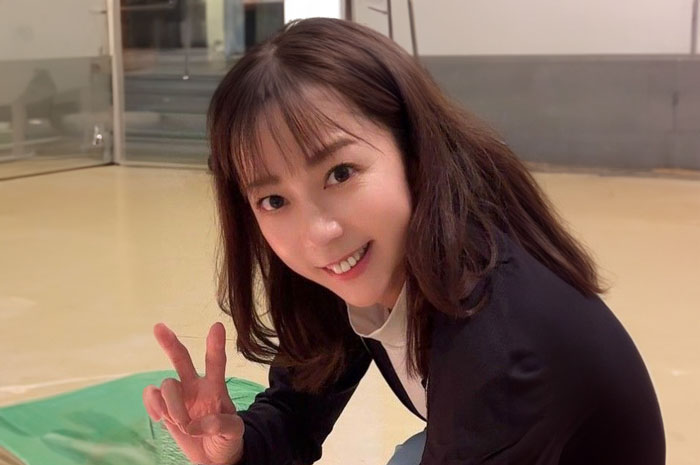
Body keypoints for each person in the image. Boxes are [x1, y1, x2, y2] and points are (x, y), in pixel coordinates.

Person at [142, 18, 665, 465]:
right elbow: (296, 408)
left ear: (414, 152)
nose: (319, 233)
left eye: (340, 173)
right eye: (274, 200)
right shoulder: (367, 259)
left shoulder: (497, 340)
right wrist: (238, 450)